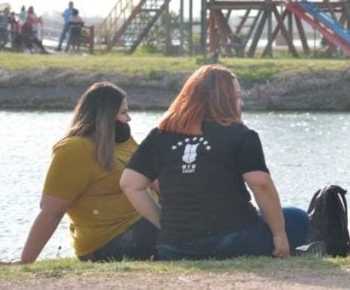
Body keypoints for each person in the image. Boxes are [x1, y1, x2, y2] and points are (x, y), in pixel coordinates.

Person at [120, 65, 309, 260]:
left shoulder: (160, 136)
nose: (240, 102)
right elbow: (262, 184)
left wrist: (166, 224)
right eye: (236, 96)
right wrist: (279, 235)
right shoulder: (240, 135)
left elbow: (129, 183)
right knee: (297, 217)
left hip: (174, 245)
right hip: (234, 240)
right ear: (224, 100)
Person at [0, 83, 157, 263]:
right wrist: (25, 261)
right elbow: (51, 211)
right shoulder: (74, 150)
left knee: (186, 213)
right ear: (105, 116)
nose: (128, 119)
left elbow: (156, 183)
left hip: (144, 225)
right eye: (123, 113)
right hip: (110, 242)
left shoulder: (124, 142)